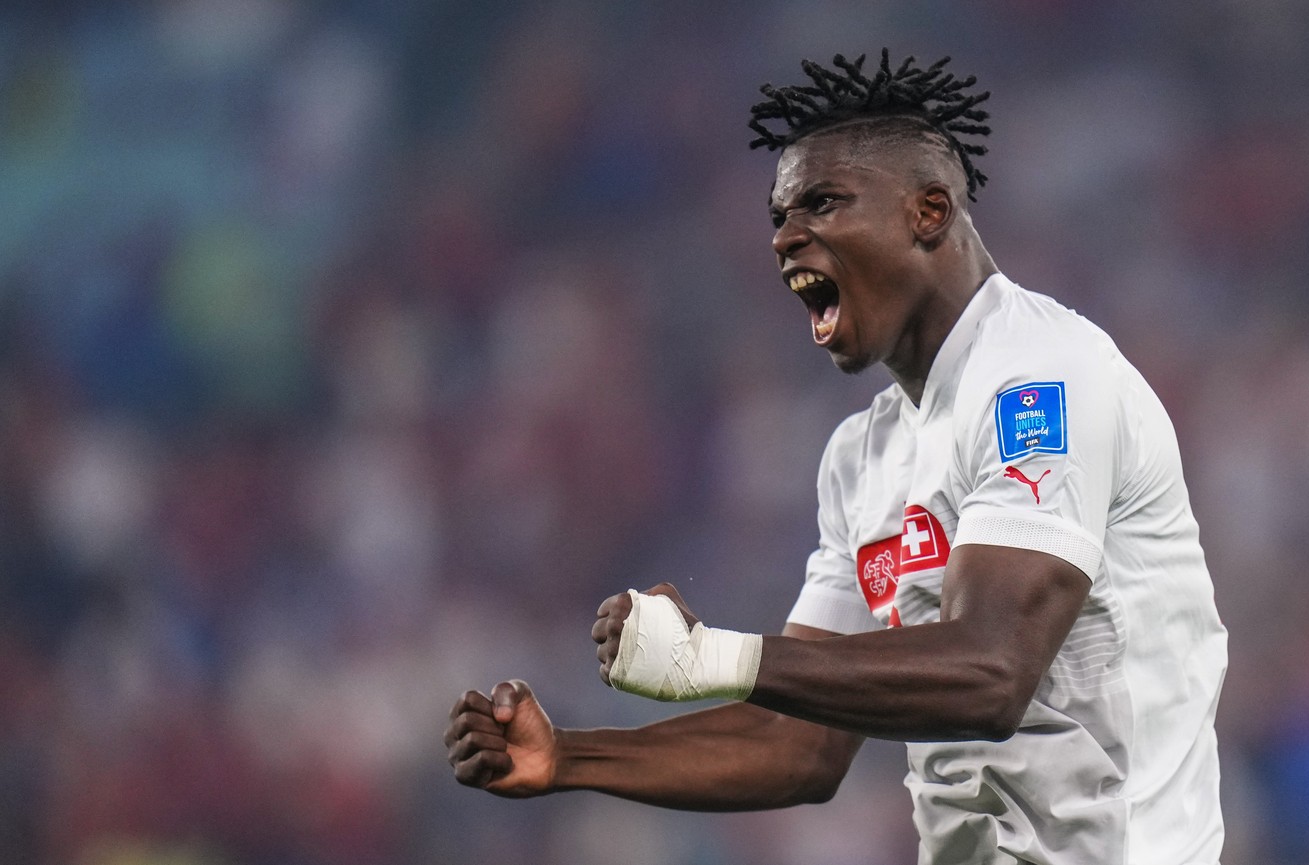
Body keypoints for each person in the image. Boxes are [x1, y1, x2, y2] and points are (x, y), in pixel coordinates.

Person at [445, 51, 1227, 865]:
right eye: (780, 215)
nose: (786, 237)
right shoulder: (863, 456)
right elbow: (799, 745)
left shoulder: (1040, 379)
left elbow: (992, 671)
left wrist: (712, 656)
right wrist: (569, 757)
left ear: (928, 211)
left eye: (822, 203)